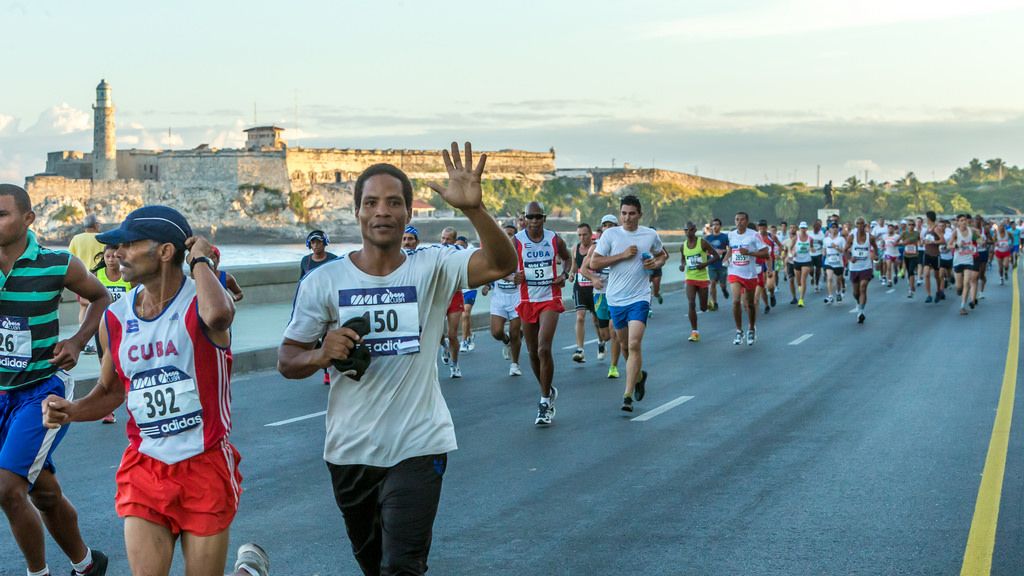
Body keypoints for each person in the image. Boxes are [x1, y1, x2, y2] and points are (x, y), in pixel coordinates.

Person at [276, 144, 517, 575]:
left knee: (401, 567)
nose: (382, 211)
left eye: (393, 202)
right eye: (371, 203)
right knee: (375, 567)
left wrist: (476, 210)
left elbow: (501, 263)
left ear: (408, 213)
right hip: (350, 449)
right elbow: (287, 359)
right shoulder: (323, 281)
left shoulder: (433, 267)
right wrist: (321, 353)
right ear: (357, 213)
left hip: (419, 443)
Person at [42, 205, 256, 576]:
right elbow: (111, 391)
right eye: (116, 246)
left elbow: (220, 318)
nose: (117, 253)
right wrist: (71, 410)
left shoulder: (201, 302)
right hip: (145, 466)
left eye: (129, 244)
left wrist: (202, 260)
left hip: (204, 463)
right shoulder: (115, 317)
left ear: (165, 251)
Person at [0, 184, 111, 576]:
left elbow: (101, 298)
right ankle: (86, 564)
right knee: (43, 492)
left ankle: (37, 574)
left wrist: (78, 341)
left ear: (28, 219)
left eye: (2, 214)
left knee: (7, 489)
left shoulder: (57, 263)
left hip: (41, 391)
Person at [590, 195, 667, 412]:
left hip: (640, 297)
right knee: (623, 345)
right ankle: (640, 376)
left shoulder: (649, 234)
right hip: (615, 298)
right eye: (623, 213)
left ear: (640, 215)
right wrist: (622, 255)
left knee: (634, 344)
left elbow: (663, 255)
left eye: (632, 213)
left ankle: (627, 395)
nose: (627, 217)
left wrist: (655, 262)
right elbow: (595, 262)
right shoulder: (610, 235)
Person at [513, 201, 571, 426]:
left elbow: (567, 258)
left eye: (538, 217)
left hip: (550, 297)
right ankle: (547, 389)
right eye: (531, 217)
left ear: (544, 219)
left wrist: (564, 275)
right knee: (532, 353)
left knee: (543, 348)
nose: (535, 221)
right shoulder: (516, 241)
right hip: (527, 299)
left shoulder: (554, 239)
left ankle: (545, 401)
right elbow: (502, 266)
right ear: (524, 219)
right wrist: (511, 277)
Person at [92, 244, 133, 424]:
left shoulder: (128, 277)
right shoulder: (97, 276)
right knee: (106, 369)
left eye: (114, 256)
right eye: (107, 256)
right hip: (103, 327)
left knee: (124, 366)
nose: (110, 260)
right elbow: (86, 298)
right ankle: (108, 411)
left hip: (124, 328)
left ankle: (134, 401)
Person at [583, 216, 623, 379]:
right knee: (606, 335)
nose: (607, 228)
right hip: (600, 295)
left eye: (611, 225)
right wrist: (593, 279)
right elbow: (583, 269)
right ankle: (604, 345)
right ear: (601, 229)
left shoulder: (622, 246)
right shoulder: (595, 248)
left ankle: (613, 366)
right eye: (604, 225)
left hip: (618, 294)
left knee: (615, 332)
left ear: (616, 227)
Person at [481, 222, 523, 376]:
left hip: (517, 298)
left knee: (515, 332)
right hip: (499, 298)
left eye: (511, 234)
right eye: (505, 233)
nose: (508, 236)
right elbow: (493, 271)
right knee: (496, 332)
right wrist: (487, 285)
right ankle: (506, 342)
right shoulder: (496, 253)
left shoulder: (521, 253)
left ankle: (515, 364)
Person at [300, 230, 340, 385]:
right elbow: (301, 282)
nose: (316, 245)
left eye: (319, 242)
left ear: (325, 243)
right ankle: (322, 360)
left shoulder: (334, 260)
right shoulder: (306, 261)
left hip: (329, 304)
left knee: (328, 337)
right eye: (313, 243)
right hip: (311, 304)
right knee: (310, 337)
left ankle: (327, 371)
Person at [725, 212, 770, 344]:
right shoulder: (731, 234)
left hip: (749, 274)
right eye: (737, 219)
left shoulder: (753, 235)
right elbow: (730, 249)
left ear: (747, 221)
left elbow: (765, 252)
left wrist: (750, 252)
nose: (739, 222)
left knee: (750, 304)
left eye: (742, 219)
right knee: (736, 301)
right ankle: (739, 331)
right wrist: (726, 258)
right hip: (734, 272)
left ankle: (751, 328)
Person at [69, 214, 106, 354]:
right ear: (96, 225)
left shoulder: (76, 239)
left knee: (83, 308)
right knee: (99, 308)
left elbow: (70, 257)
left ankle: (84, 341)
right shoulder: (101, 238)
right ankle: (99, 340)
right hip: (99, 277)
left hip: (81, 278)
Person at [680, 221, 720, 342]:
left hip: (702, 278)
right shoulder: (683, 246)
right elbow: (683, 259)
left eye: (690, 230)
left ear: (695, 230)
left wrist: (704, 264)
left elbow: (716, 256)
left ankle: (708, 304)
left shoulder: (702, 243)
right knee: (691, 303)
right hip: (690, 278)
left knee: (703, 308)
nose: (688, 232)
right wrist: (682, 265)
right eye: (686, 230)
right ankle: (694, 332)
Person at [569, 223, 601, 363]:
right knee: (580, 316)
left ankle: (601, 342)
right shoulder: (575, 248)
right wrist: (571, 274)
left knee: (596, 319)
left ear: (590, 234)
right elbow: (574, 266)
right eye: (579, 235)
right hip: (580, 287)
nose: (582, 237)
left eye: (585, 234)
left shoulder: (597, 248)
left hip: (593, 288)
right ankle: (580, 349)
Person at [438, 227, 464, 378]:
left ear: (454, 241)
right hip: (439, 297)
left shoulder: (459, 253)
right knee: (438, 333)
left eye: (448, 239)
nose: (444, 242)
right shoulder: (435, 253)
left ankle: (455, 365)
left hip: (455, 296)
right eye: (442, 238)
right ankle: (444, 346)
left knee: (452, 334)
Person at [844, 217, 879, 324]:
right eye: (857, 224)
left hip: (866, 266)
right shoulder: (851, 237)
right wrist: (850, 258)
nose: (859, 226)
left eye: (861, 224)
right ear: (856, 226)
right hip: (854, 268)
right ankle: (858, 303)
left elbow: (875, 248)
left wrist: (876, 256)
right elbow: (845, 250)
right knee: (856, 292)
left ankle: (861, 312)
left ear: (864, 225)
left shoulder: (870, 237)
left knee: (863, 287)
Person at [951, 214, 980, 315]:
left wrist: (981, 240)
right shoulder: (956, 232)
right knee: (959, 286)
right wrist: (957, 245)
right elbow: (949, 244)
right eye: (961, 220)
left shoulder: (971, 231)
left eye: (965, 220)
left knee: (967, 283)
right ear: (958, 222)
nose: (964, 222)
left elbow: (978, 239)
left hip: (968, 260)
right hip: (958, 261)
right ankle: (959, 289)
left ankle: (962, 306)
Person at [455, 236, 478, 353]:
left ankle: (464, 341)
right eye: (457, 245)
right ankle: (469, 334)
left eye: (461, 245)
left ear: (465, 244)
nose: (459, 247)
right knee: (463, 316)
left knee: (465, 313)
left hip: (470, 288)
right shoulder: (453, 253)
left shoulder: (471, 252)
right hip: (459, 290)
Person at [704, 218, 729, 311]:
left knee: (722, 285)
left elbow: (730, 249)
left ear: (720, 226)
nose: (715, 226)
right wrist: (709, 253)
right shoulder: (708, 238)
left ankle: (724, 290)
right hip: (712, 264)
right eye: (713, 225)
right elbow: (704, 251)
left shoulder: (724, 237)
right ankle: (714, 302)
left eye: (717, 224)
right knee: (712, 283)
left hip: (722, 264)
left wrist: (723, 251)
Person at [788, 222, 813, 307]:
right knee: (798, 281)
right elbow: (790, 249)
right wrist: (792, 254)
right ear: (799, 229)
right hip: (797, 261)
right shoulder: (795, 238)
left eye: (804, 228)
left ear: (806, 229)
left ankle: (801, 299)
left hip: (806, 261)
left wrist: (812, 249)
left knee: (803, 280)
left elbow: (812, 247)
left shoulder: (810, 238)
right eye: (801, 228)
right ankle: (800, 287)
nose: (803, 229)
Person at [921, 211, 943, 303]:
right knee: (926, 274)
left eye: (926, 218)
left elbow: (943, 240)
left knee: (937, 276)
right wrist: (924, 242)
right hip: (927, 254)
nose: (925, 220)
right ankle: (929, 295)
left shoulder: (936, 229)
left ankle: (938, 291)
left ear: (929, 218)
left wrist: (934, 242)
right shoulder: (927, 229)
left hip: (935, 255)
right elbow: (925, 240)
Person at [822, 222, 846, 304]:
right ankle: (830, 296)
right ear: (829, 229)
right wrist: (823, 255)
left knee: (838, 281)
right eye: (832, 227)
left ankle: (838, 293)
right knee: (829, 278)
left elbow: (843, 251)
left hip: (838, 262)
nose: (834, 229)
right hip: (829, 262)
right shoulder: (826, 239)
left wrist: (836, 247)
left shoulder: (841, 239)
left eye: (835, 227)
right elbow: (824, 250)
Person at [899, 220, 921, 298]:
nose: (911, 226)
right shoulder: (904, 233)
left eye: (912, 225)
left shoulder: (916, 233)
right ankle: (911, 286)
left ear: (914, 226)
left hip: (914, 255)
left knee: (911, 270)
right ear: (907, 226)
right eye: (909, 225)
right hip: (907, 255)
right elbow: (898, 241)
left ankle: (911, 289)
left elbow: (920, 241)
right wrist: (901, 243)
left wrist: (920, 243)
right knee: (909, 272)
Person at [808, 219, 826, 292]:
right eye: (816, 227)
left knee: (818, 270)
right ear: (813, 227)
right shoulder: (809, 234)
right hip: (810, 254)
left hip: (819, 253)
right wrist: (810, 247)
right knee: (811, 270)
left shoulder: (822, 234)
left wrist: (821, 243)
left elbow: (824, 244)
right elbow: (806, 242)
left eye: (819, 228)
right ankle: (812, 277)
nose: (817, 229)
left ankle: (817, 285)